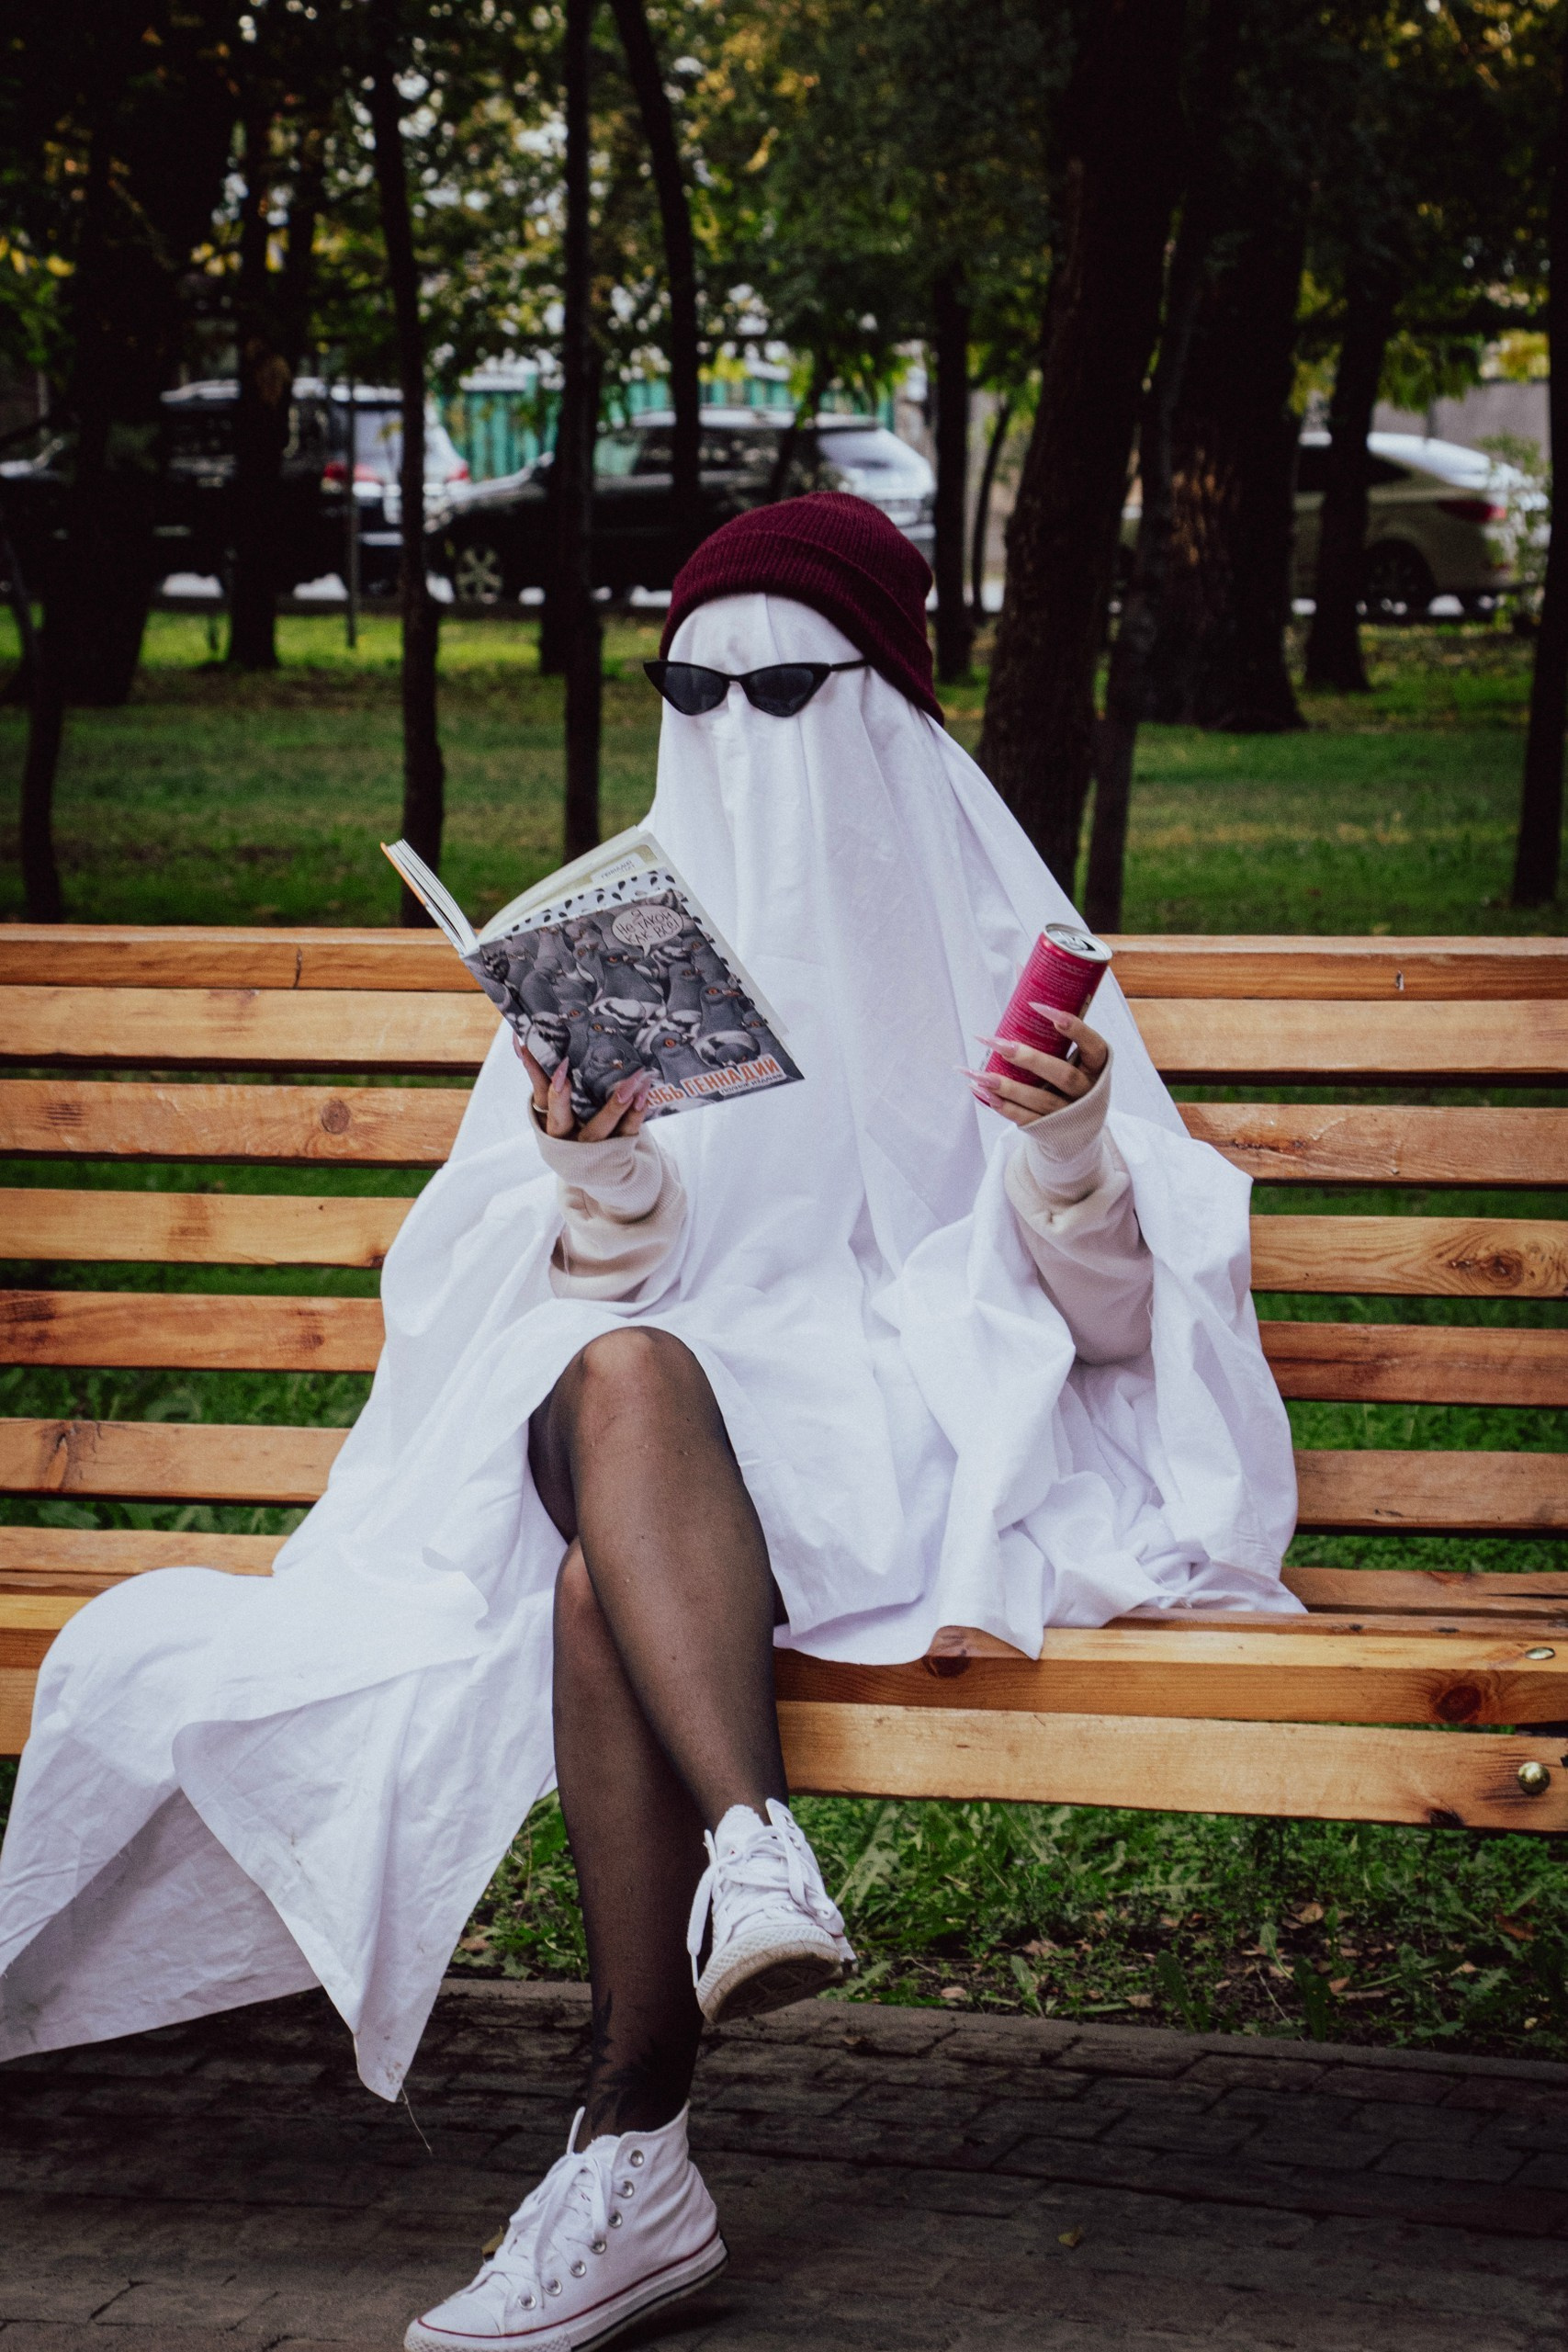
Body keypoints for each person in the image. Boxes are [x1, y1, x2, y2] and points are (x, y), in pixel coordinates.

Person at [0, 494, 1299, 2352]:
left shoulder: (995, 929)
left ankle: (635, 2151)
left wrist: (1069, 1150)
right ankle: (748, 1855)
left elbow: (1108, 1329)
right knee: (620, 1376)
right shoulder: (622, 931)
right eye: (695, 691)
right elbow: (543, 1296)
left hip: (882, 1445)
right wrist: (591, 1165)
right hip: (648, 1406)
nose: (736, 733)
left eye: (787, 693)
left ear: (882, 698)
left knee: (604, 1584)